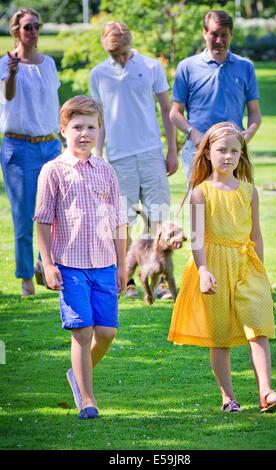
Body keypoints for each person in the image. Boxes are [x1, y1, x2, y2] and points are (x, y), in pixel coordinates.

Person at [168, 122, 276, 413]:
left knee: (258, 326)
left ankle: (266, 393)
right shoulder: (200, 193)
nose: (227, 156)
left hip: (246, 265)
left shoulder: (249, 190)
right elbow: (197, 239)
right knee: (220, 336)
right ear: (208, 153)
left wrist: (260, 269)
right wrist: (202, 270)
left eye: (234, 151)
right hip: (214, 265)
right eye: (221, 150)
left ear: (241, 155)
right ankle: (228, 398)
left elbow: (256, 234)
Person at [34, 96, 127, 419]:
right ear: (63, 130)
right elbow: (43, 220)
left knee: (106, 333)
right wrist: (47, 263)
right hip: (70, 265)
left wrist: (122, 264)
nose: (84, 133)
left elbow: (119, 222)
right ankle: (87, 399)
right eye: (77, 127)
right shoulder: (53, 171)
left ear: (100, 129)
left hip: (105, 265)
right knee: (82, 331)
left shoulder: (107, 171)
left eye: (91, 126)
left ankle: (77, 373)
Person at [90, 21, 178, 300]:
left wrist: (172, 149)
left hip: (151, 152)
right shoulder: (98, 74)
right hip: (118, 156)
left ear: (129, 43)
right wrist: (98, 154)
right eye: (113, 54)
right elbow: (98, 117)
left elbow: (167, 109)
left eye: (122, 52)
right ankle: (125, 280)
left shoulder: (151, 67)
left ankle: (162, 283)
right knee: (121, 222)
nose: (119, 58)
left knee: (158, 218)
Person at [0, 8, 62, 296]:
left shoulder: (48, 63)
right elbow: (8, 95)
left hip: (50, 145)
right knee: (25, 215)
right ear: (16, 31)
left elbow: (52, 102)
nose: (33, 31)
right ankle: (26, 278)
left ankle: (44, 266)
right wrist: (12, 73)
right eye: (28, 26)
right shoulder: (6, 64)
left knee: (58, 213)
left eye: (37, 26)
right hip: (19, 146)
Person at [170, 10, 261, 182]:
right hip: (198, 149)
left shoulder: (245, 67)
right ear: (205, 33)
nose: (219, 40)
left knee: (235, 205)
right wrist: (194, 134)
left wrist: (245, 137)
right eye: (214, 34)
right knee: (199, 206)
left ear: (231, 35)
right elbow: (175, 113)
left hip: (233, 151)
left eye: (224, 35)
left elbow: (254, 112)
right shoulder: (187, 67)